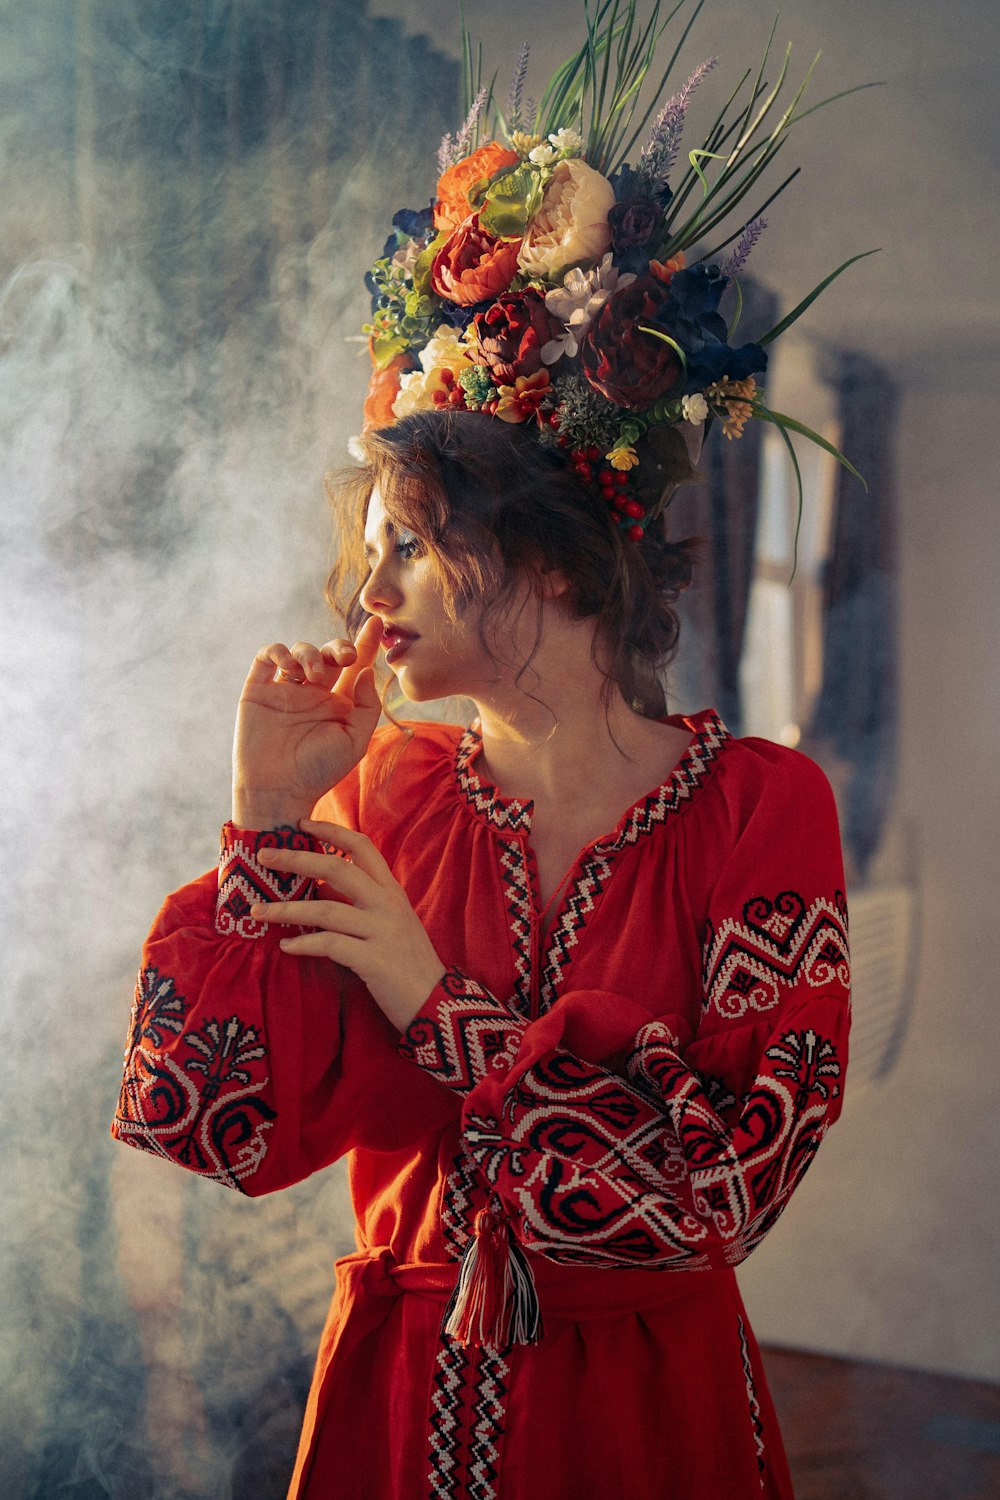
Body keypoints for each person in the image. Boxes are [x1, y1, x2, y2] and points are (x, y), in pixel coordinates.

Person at [113, 12, 859, 1495]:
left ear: (563, 569)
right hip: (398, 1406)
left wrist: (423, 993)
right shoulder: (382, 792)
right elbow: (209, 1128)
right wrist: (263, 818)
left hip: (643, 1414)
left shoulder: (761, 812)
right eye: (368, 551)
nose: (365, 594)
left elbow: (707, 1201)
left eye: (412, 549)